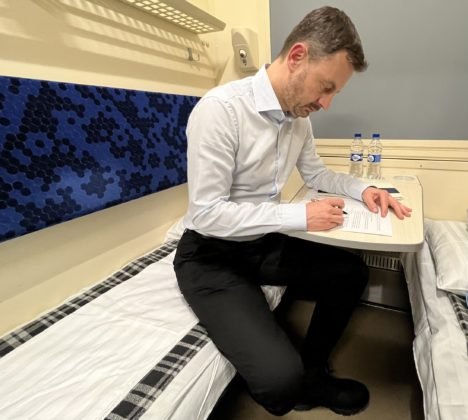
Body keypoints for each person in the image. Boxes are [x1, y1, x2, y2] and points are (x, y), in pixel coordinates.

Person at [173, 6, 412, 416]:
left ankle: (314, 372)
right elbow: (208, 214)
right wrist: (300, 216)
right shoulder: (221, 110)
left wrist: (366, 189)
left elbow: (317, 173)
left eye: (334, 93)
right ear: (298, 56)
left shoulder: (298, 119)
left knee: (351, 272)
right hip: (211, 257)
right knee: (279, 386)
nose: (327, 103)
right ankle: (295, 380)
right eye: (326, 87)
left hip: (260, 243)